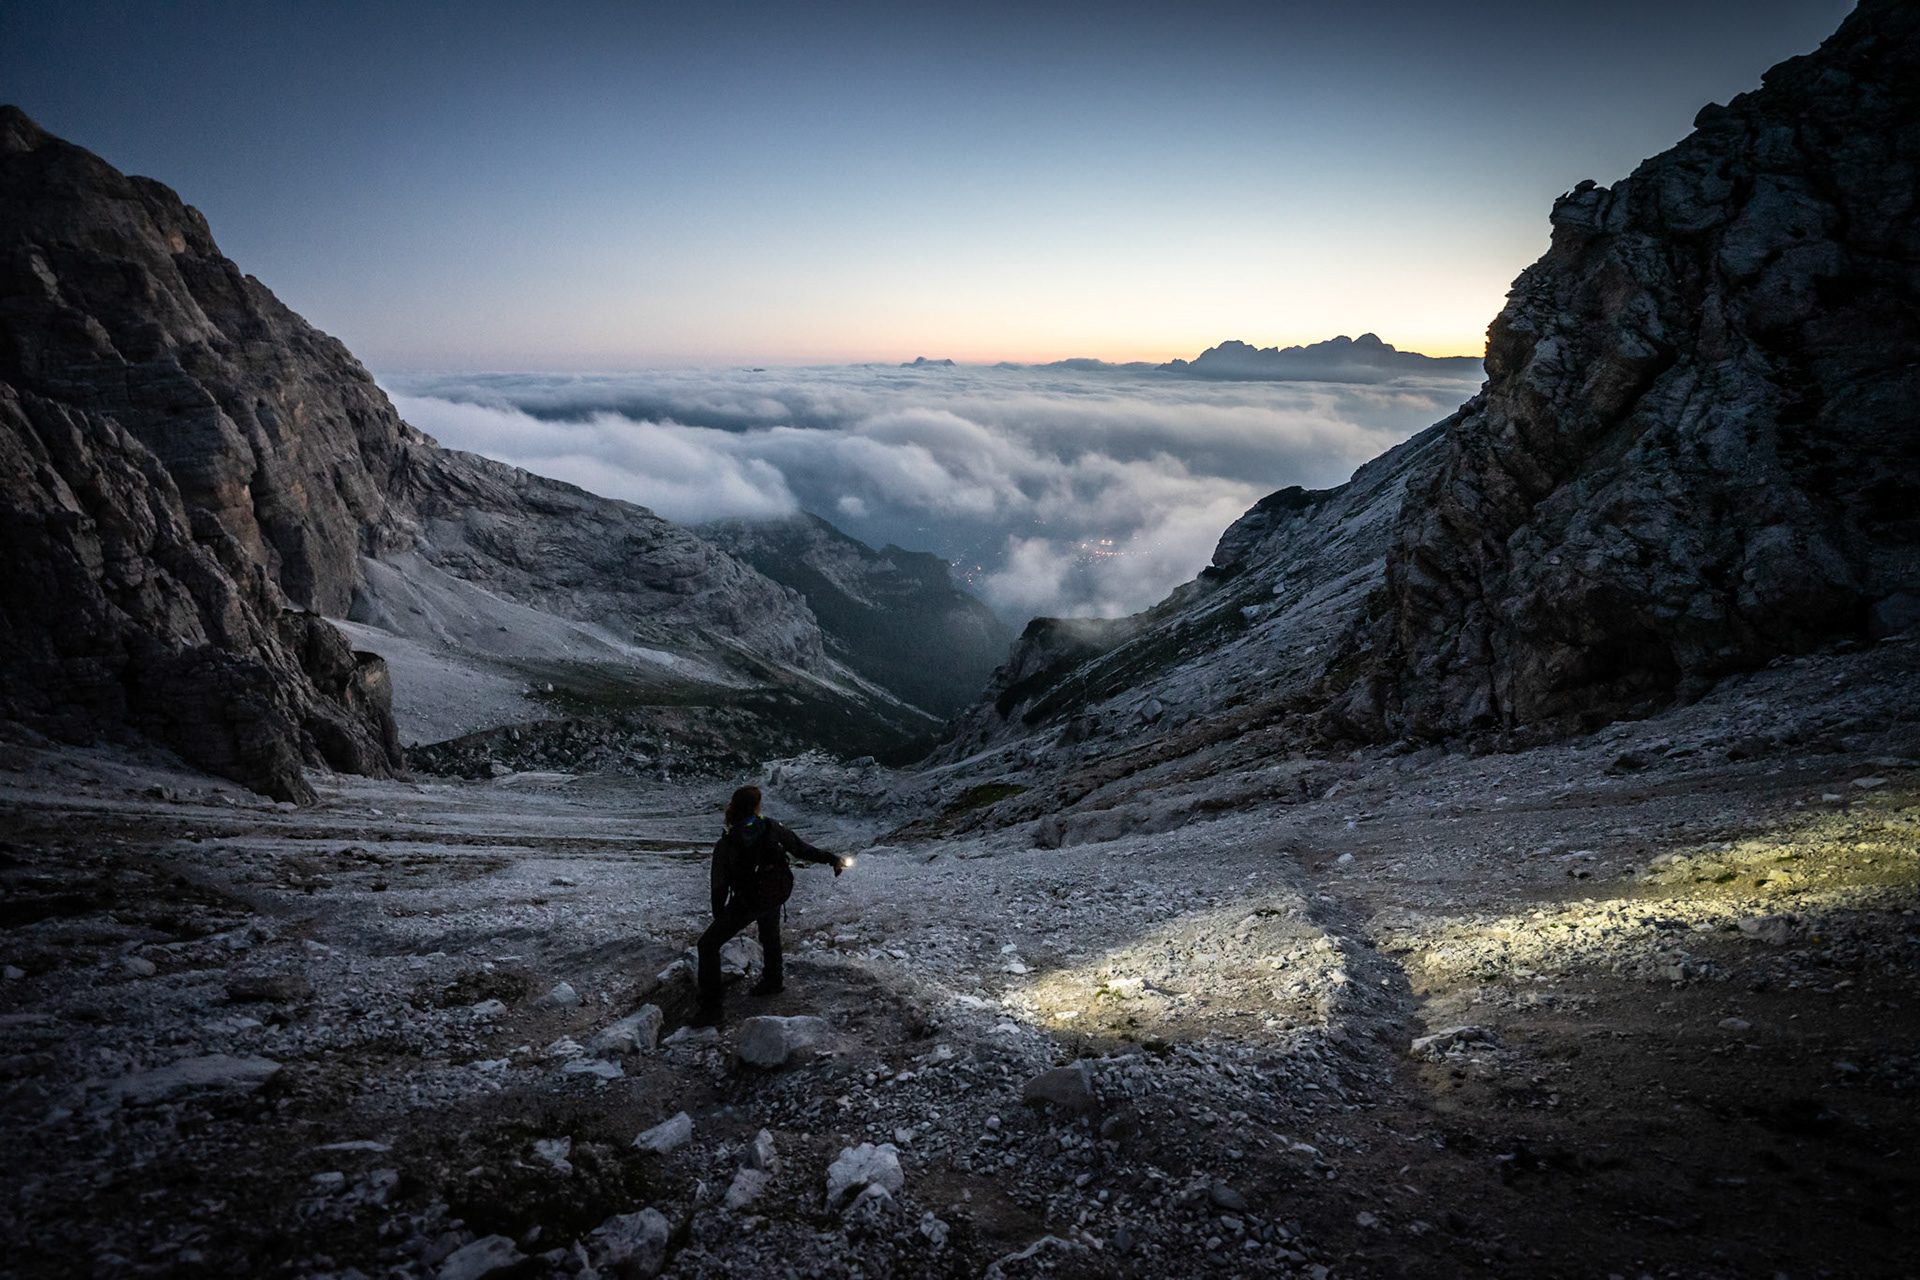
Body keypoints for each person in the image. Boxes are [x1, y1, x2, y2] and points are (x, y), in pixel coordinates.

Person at [694, 784, 848, 1021]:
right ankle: (773, 980)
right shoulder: (771, 826)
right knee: (770, 932)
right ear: (757, 807)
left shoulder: (728, 841)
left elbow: (719, 883)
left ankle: (712, 1009)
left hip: (747, 899)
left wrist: (720, 913)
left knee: (707, 945)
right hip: (775, 890)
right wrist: (833, 859)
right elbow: (801, 849)